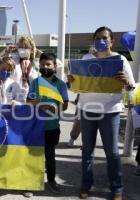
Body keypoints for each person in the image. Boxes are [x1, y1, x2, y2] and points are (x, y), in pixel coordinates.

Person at [68, 26, 135, 200]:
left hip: (110, 112)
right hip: (87, 110)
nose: (101, 41)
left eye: (105, 38)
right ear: (93, 40)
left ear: (111, 41)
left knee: (112, 152)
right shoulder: (86, 58)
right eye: (98, 38)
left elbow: (131, 88)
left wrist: (126, 82)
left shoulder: (120, 59)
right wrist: (72, 82)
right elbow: (77, 89)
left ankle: (117, 189)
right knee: (87, 151)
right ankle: (86, 184)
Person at [25, 53, 69, 197]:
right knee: (33, 156)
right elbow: (29, 102)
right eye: (43, 64)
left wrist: (55, 109)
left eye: (48, 64)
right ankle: (31, 183)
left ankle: (51, 181)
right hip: (35, 127)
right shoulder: (35, 83)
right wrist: (40, 105)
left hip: (52, 127)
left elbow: (65, 105)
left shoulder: (61, 84)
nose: (45, 67)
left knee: (50, 156)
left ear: (55, 66)